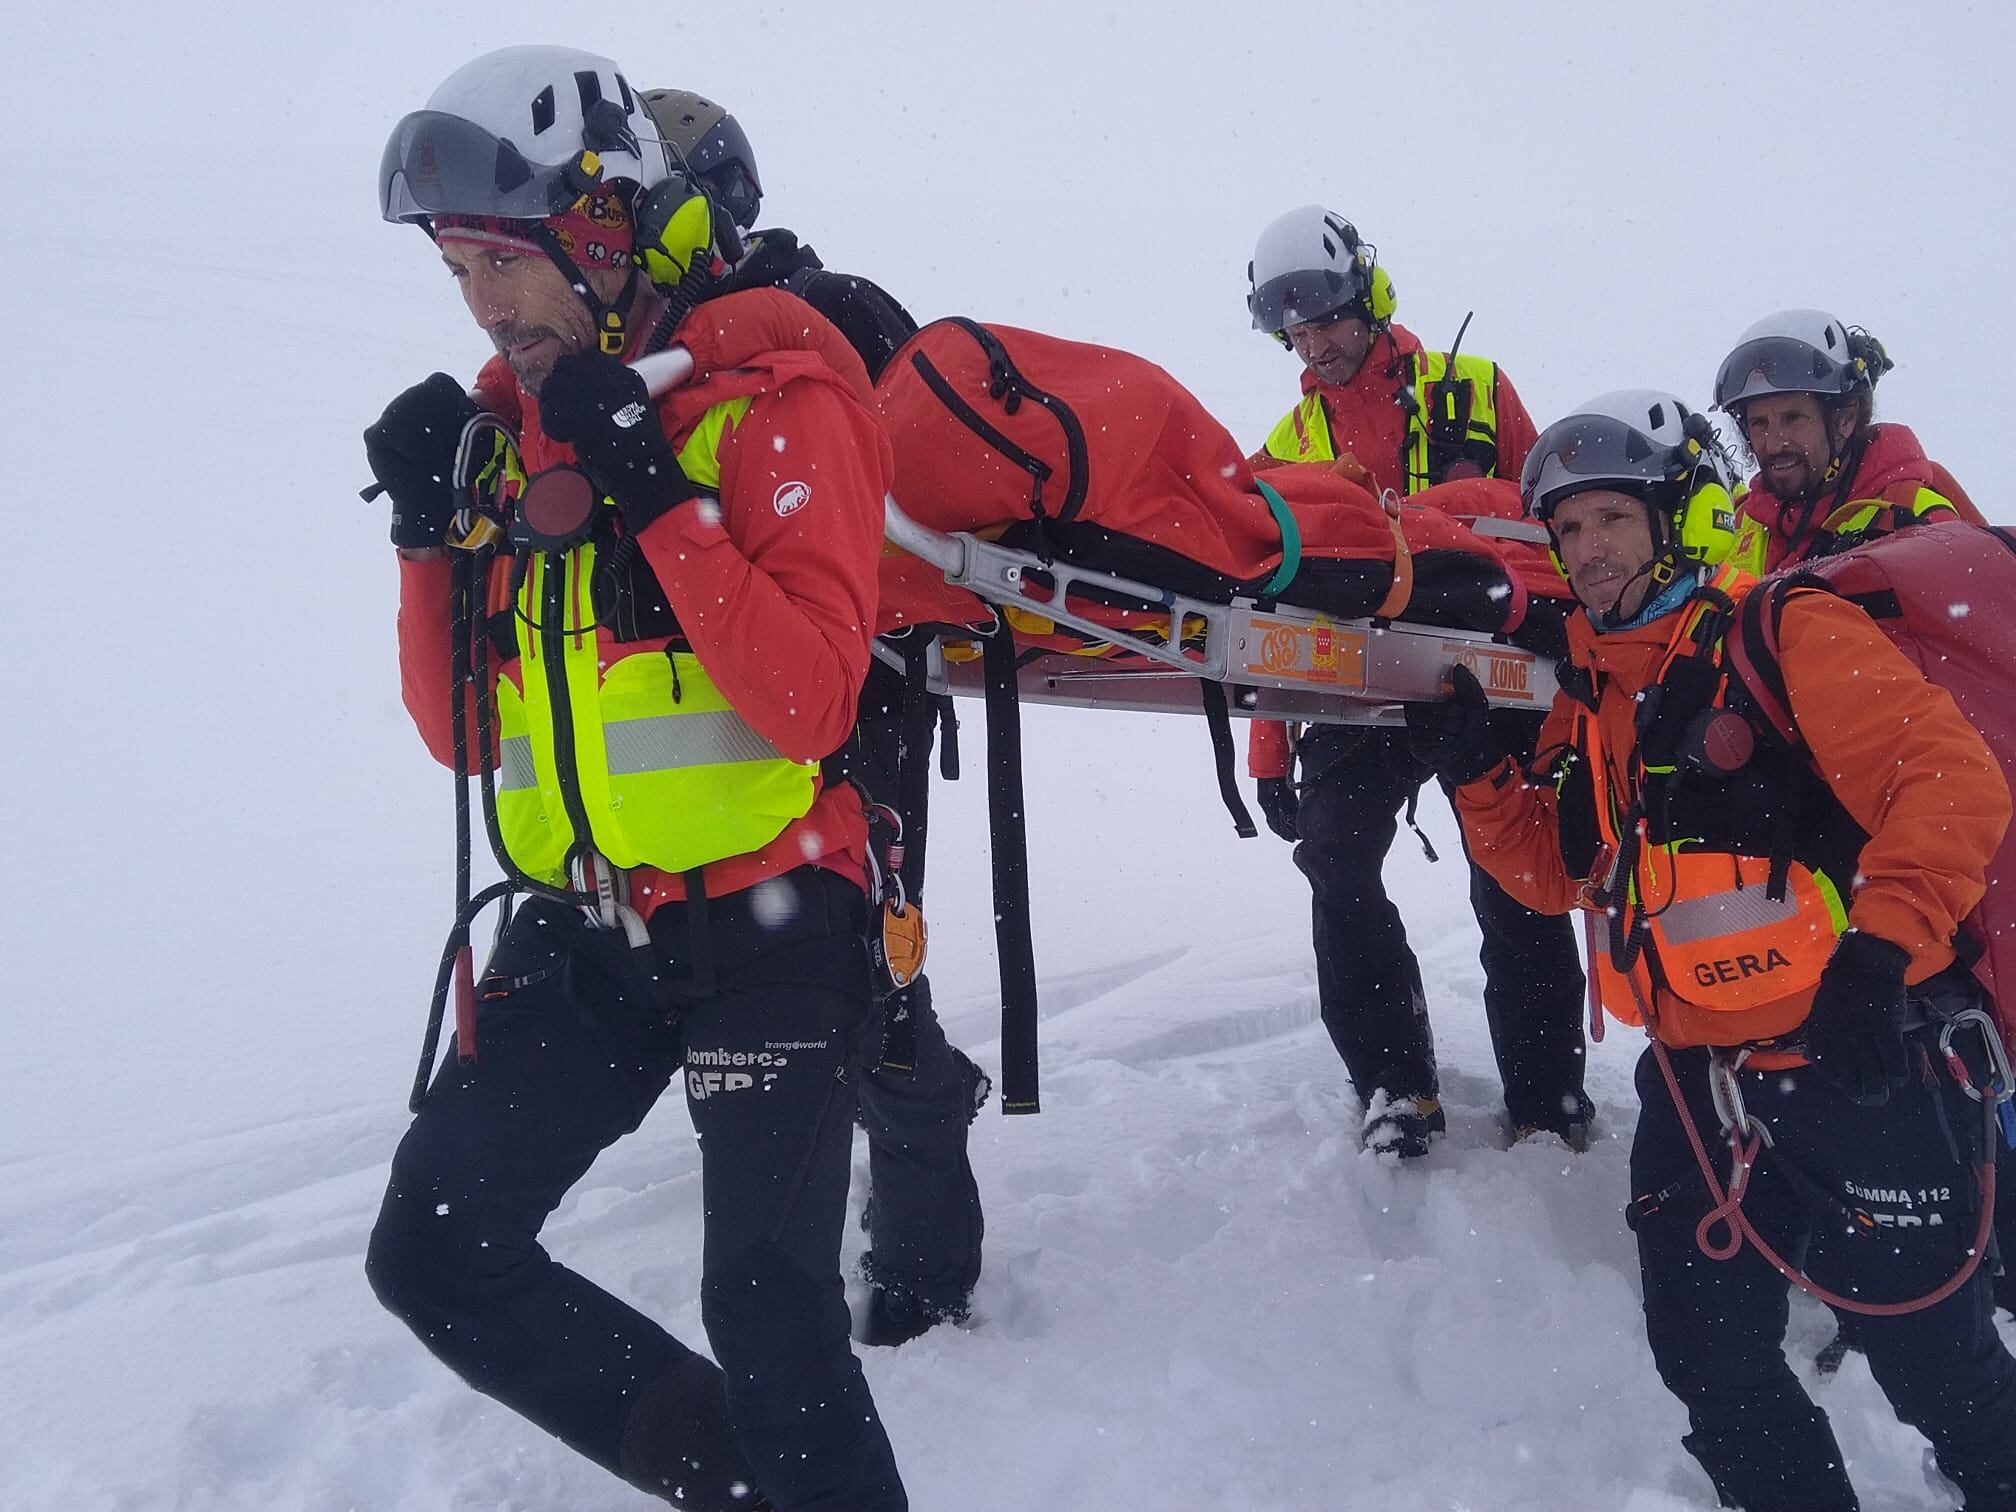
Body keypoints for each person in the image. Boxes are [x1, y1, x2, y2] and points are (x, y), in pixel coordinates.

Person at [362, 46, 909, 1511]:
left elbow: (808, 700)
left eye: (505, 259)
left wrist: (656, 493)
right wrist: (425, 539)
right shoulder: (515, 435)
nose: (485, 304)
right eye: (459, 268)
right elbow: (463, 737)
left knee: (773, 1314)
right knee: (434, 1254)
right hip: (588, 925)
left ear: (604, 228)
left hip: (774, 916)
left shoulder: (776, 400)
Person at [1412, 388, 2016, 1511]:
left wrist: (1881, 952)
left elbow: (1949, 781)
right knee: (1711, 1363)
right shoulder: (1597, 689)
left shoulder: (1785, 634)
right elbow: (1562, 873)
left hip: (1860, 1061)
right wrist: (1479, 777)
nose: (1587, 548)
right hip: (1699, 1085)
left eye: (1612, 518)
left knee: (1938, 1365)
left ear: (1679, 517)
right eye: (1569, 528)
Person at [635, 84, 985, 1347]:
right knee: (809, 989)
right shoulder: (641, 365)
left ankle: (924, 1270)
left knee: (868, 984)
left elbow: (928, 474)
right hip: (708, 731)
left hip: (856, 697)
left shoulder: (824, 317)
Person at [1242, 204, 1589, 1154]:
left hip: (1501, 678)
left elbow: (1556, 526)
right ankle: (1396, 1086)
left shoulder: (1477, 390)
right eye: (1294, 329)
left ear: (1369, 298)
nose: (1314, 343)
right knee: (1336, 862)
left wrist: (1577, 661)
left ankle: (1548, 1098)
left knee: (1515, 877)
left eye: (1325, 318)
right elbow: (1266, 603)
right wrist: (1269, 745)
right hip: (1356, 684)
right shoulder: (1288, 444)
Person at [1713, 308, 1982, 575]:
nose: (1773, 444)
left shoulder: (1913, 520)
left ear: (1845, 419)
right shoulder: (1737, 523)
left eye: (1793, 418)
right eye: (1759, 423)